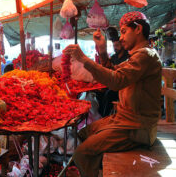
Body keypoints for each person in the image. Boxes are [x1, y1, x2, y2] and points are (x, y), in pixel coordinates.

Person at [64, 11, 162, 177]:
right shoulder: (138, 56)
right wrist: (102, 50)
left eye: (124, 32)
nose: (121, 38)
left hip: (137, 127)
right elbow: (114, 71)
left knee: (82, 153)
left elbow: (116, 81)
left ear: (137, 29)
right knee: (83, 133)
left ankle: (94, 169)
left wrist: (83, 59)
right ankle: (97, 168)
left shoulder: (146, 55)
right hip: (124, 119)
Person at [96, 27, 129, 117]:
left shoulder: (128, 57)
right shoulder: (114, 57)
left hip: (122, 86)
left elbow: (117, 70)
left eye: (117, 46)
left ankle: (104, 116)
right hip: (112, 82)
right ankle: (99, 114)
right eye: (114, 46)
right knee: (98, 91)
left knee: (109, 93)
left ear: (122, 46)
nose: (115, 48)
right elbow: (107, 67)